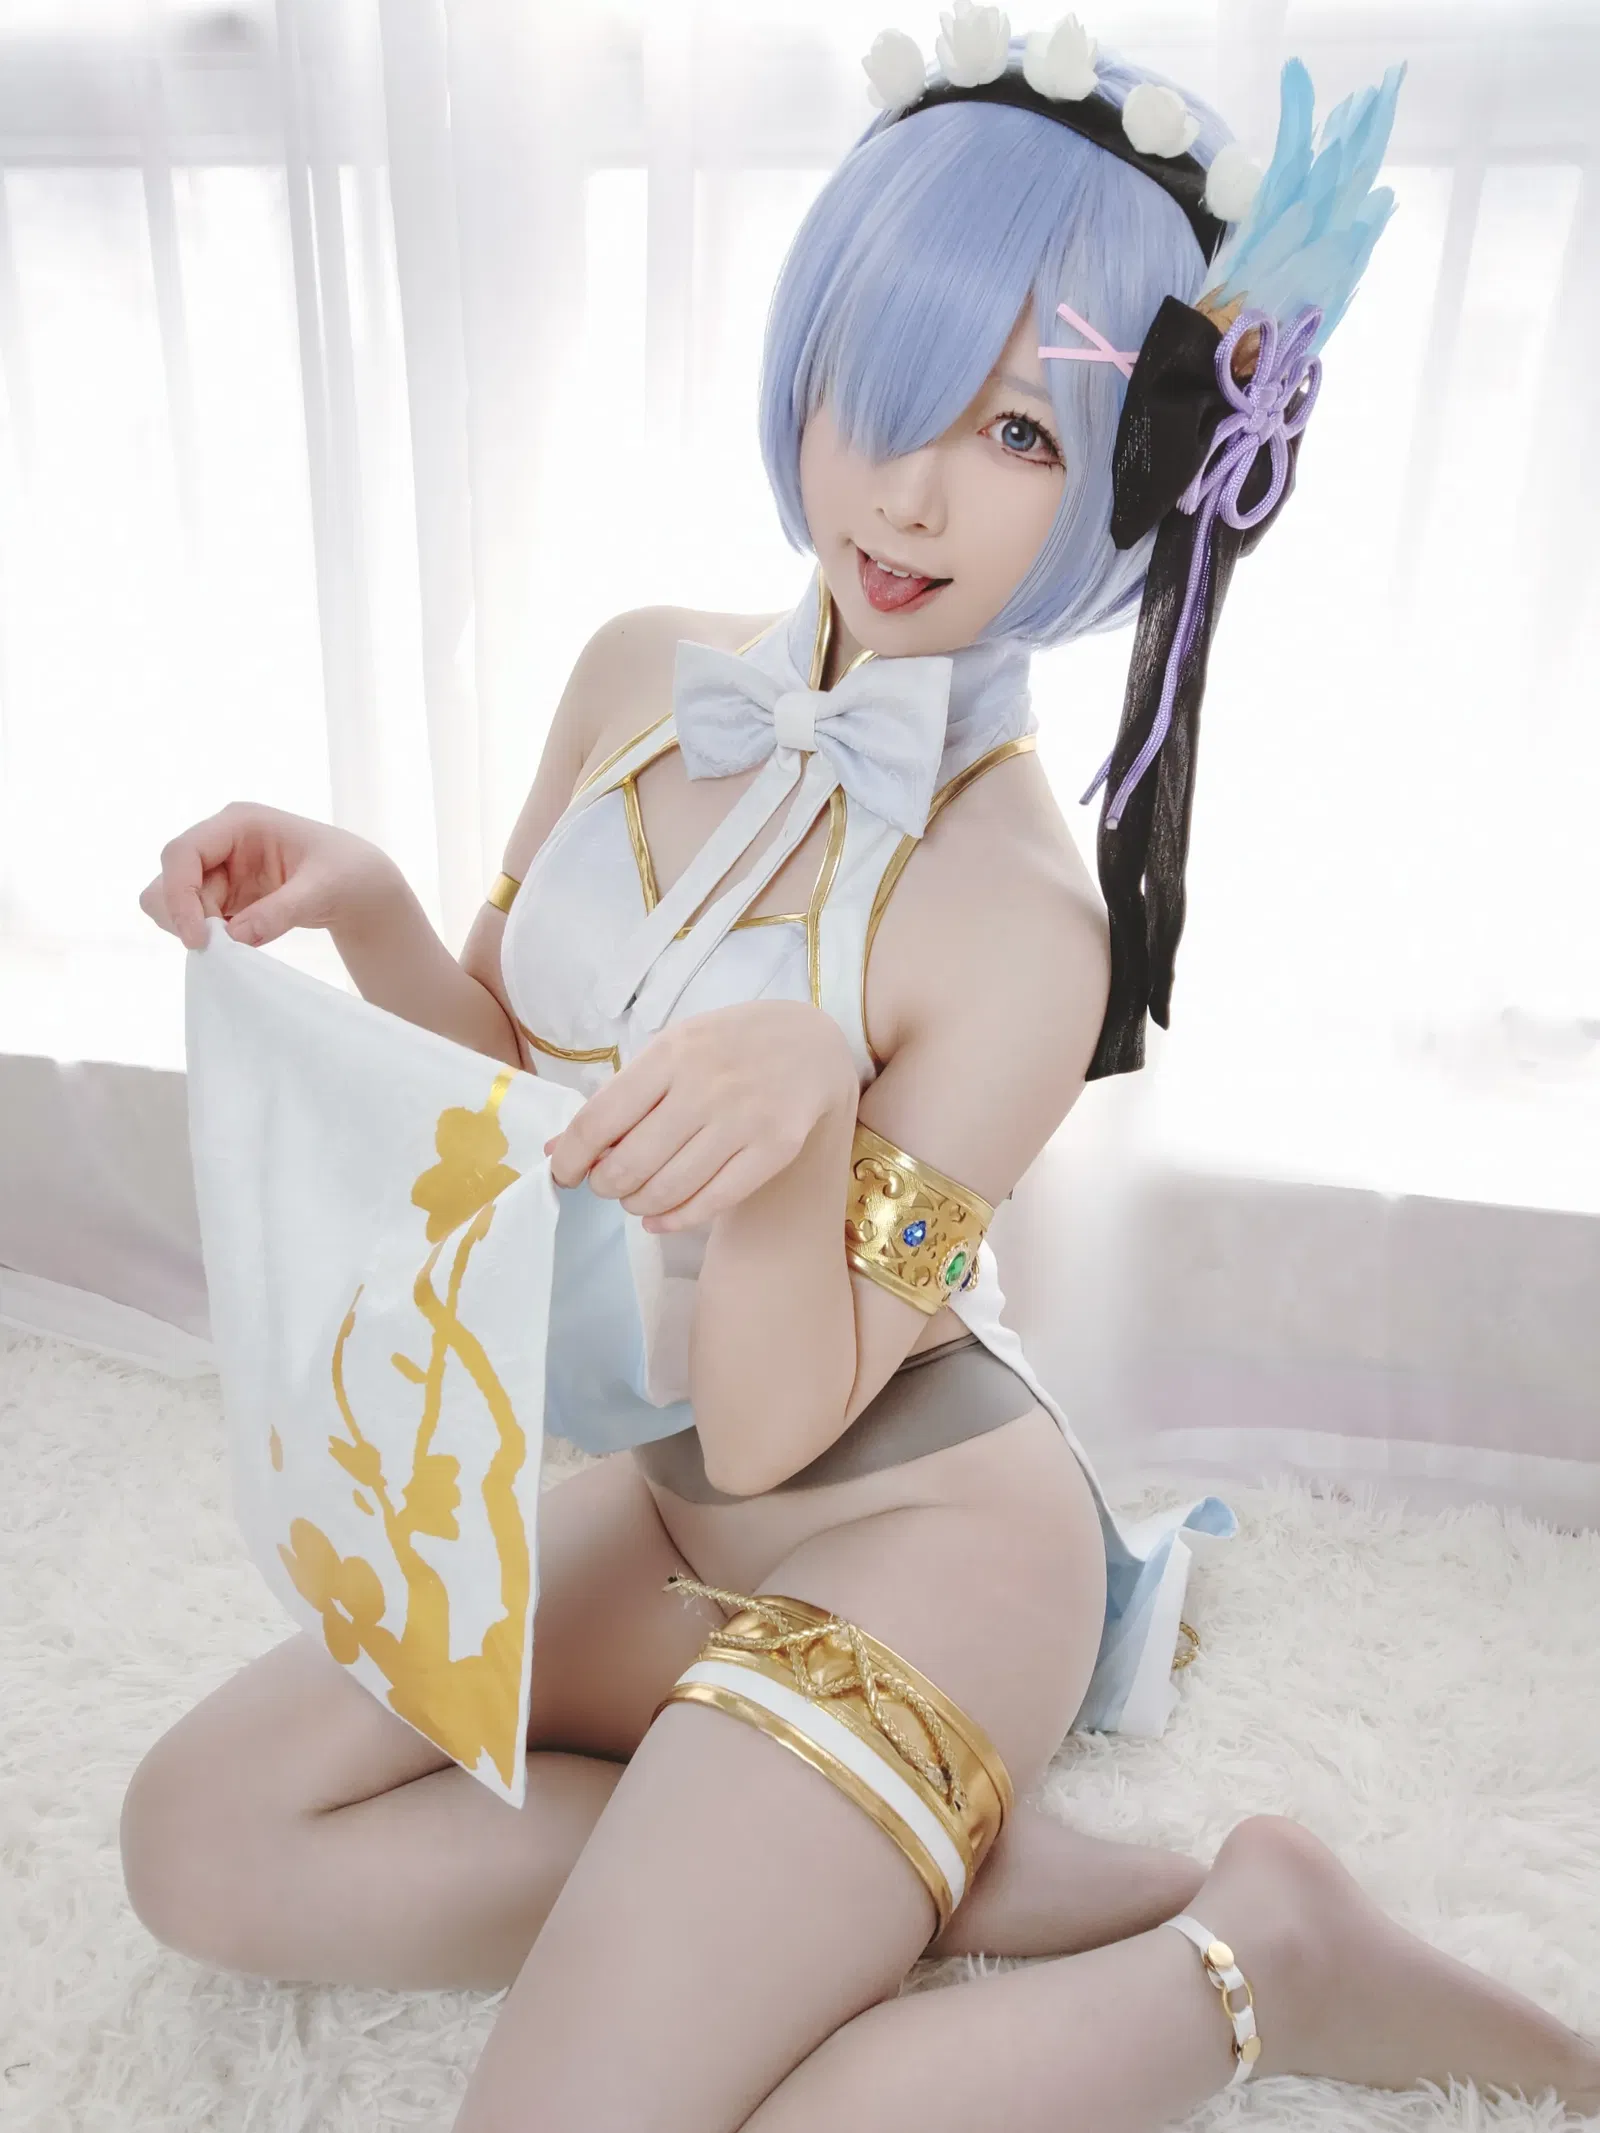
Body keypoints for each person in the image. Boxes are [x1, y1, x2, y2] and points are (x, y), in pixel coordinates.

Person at [120, 13, 1600, 2130]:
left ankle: (1248, 1955)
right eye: (879, 388)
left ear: (1137, 475)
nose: (905, 491)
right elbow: (527, 1109)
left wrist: (807, 1106)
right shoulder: (639, 679)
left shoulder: (1023, 925)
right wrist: (367, 912)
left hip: (921, 1539)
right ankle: (881, 1877)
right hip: (669, 1512)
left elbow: (779, 1409)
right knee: (198, 1839)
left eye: (1017, 432)